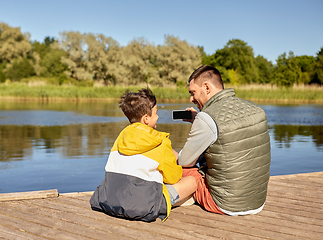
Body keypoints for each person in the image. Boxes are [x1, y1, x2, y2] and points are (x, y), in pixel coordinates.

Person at [90, 88, 197, 222]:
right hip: (142, 206)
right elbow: (174, 178)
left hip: (110, 199)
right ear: (146, 119)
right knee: (192, 181)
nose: (158, 117)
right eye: (156, 113)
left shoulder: (120, 138)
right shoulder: (159, 141)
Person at [178, 65, 271, 216]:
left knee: (180, 168)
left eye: (193, 93)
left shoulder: (207, 118)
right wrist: (198, 121)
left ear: (207, 87)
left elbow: (185, 162)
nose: (191, 99)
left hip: (226, 204)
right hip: (258, 202)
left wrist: (200, 121)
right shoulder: (257, 110)